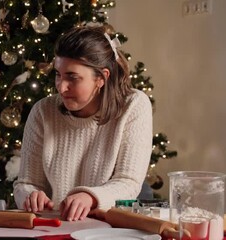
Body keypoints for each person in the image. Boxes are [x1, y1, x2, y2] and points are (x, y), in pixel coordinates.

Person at [13, 26, 153, 222]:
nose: (61, 87)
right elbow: (26, 183)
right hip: (54, 226)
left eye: (72, 77)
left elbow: (128, 182)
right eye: (58, 74)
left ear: (101, 78)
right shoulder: (43, 111)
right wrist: (30, 195)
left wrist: (91, 197)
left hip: (107, 228)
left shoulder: (134, 105)